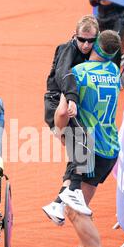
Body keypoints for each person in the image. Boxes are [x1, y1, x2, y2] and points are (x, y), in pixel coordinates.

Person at [57, 30, 122, 247]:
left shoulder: (79, 73)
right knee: (81, 203)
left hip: (87, 148)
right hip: (109, 147)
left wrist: (60, 134)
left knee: (73, 211)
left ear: (94, 45)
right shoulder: (114, 72)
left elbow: (62, 112)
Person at [42, 15, 101, 225]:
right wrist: (72, 99)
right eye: (81, 39)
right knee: (83, 145)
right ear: (74, 35)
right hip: (58, 104)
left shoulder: (95, 51)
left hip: (73, 108)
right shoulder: (67, 49)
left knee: (77, 153)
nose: (85, 45)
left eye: (90, 40)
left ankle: (58, 203)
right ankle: (67, 196)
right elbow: (64, 74)